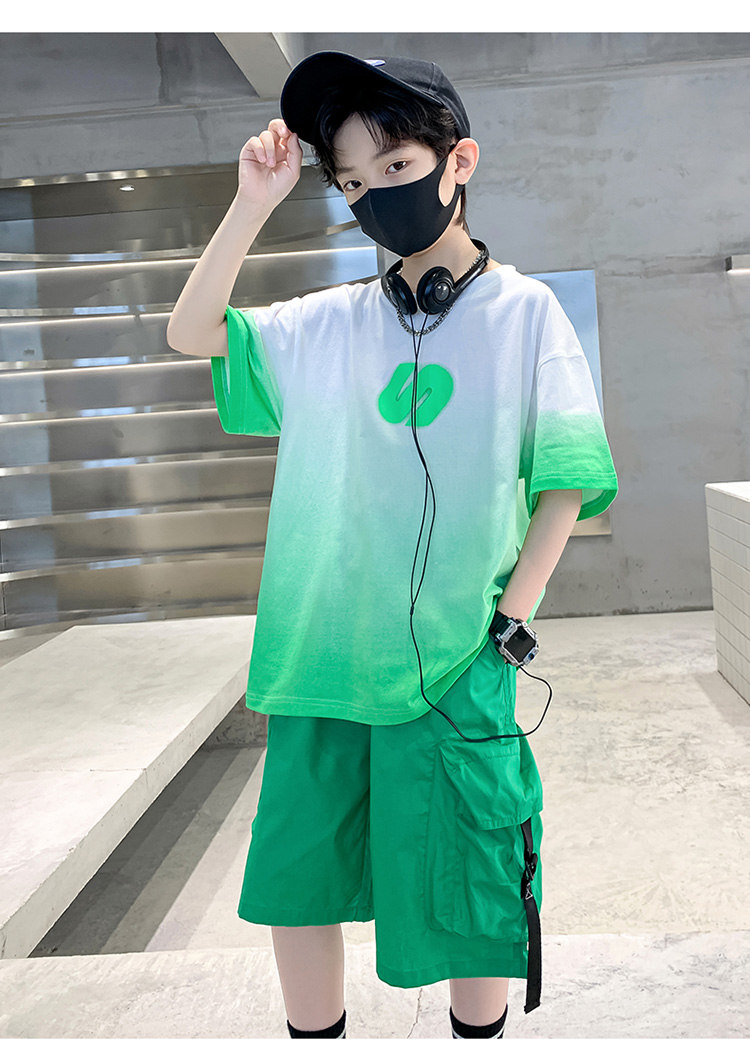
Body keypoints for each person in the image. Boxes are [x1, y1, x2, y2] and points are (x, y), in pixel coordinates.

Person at [167, 50, 618, 1041]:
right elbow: (191, 331)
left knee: (469, 873)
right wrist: (250, 204)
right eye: (352, 183)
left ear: (460, 161)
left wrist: (510, 621)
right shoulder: (321, 325)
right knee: (301, 879)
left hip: (457, 657)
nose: (375, 195)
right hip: (318, 656)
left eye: (397, 168)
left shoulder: (525, 314)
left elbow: (567, 478)